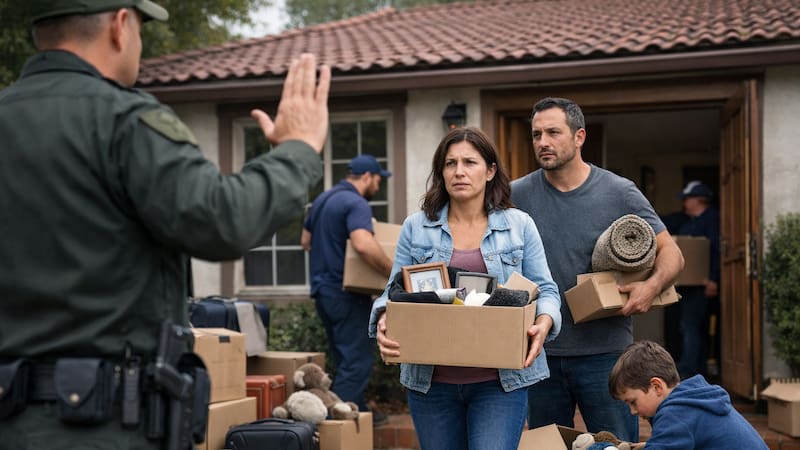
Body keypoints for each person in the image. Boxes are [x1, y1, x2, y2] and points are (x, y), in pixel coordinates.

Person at [0, 1, 330, 448]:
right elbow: (222, 219)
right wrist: (298, 150)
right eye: (141, 27)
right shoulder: (123, 120)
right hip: (102, 427)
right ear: (120, 26)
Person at [370, 126, 562, 450]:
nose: (459, 171)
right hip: (431, 384)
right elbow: (393, 292)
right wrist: (384, 318)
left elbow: (546, 290)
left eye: (470, 162)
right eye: (450, 163)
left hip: (500, 383)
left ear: (490, 171)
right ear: (441, 172)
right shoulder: (416, 227)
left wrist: (544, 322)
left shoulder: (519, 226)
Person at [510, 97, 684, 442]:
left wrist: (650, 288)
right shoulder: (517, 194)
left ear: (579, 137)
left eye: (553, 132)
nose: (543, 142)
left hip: (606, 353)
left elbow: (672, 253)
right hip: (540, 351)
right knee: (548, 447)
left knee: (614, 446)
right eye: (536, 134)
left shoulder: (619, 192)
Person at [300, 154, 393, 417]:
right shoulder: (356, 202)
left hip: (323, 292)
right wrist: (393, 272)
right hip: (346, 294)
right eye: (378, 180)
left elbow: (305, 241)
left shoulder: (322, 200)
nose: (378, 186)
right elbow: (363, 244)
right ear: (367, 177)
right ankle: (339, 425)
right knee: (356, 362)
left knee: (344, 359)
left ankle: (358, 411)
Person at [608, 340, 768, 449]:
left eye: (633, 402)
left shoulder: (675, 413)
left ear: (656, 386)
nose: (632, 411)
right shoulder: (691, 400)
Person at [670, 181, 721, 379]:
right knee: (692, 328)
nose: (684, 203)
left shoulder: (712, 220)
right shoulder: (689, 222)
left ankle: (688, 372)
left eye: (687, 198)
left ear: (699, 199)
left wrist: (714, 279)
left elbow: (717, 251)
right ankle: (698, 372)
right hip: (689, 286)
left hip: (702, 286)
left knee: (691, 328)